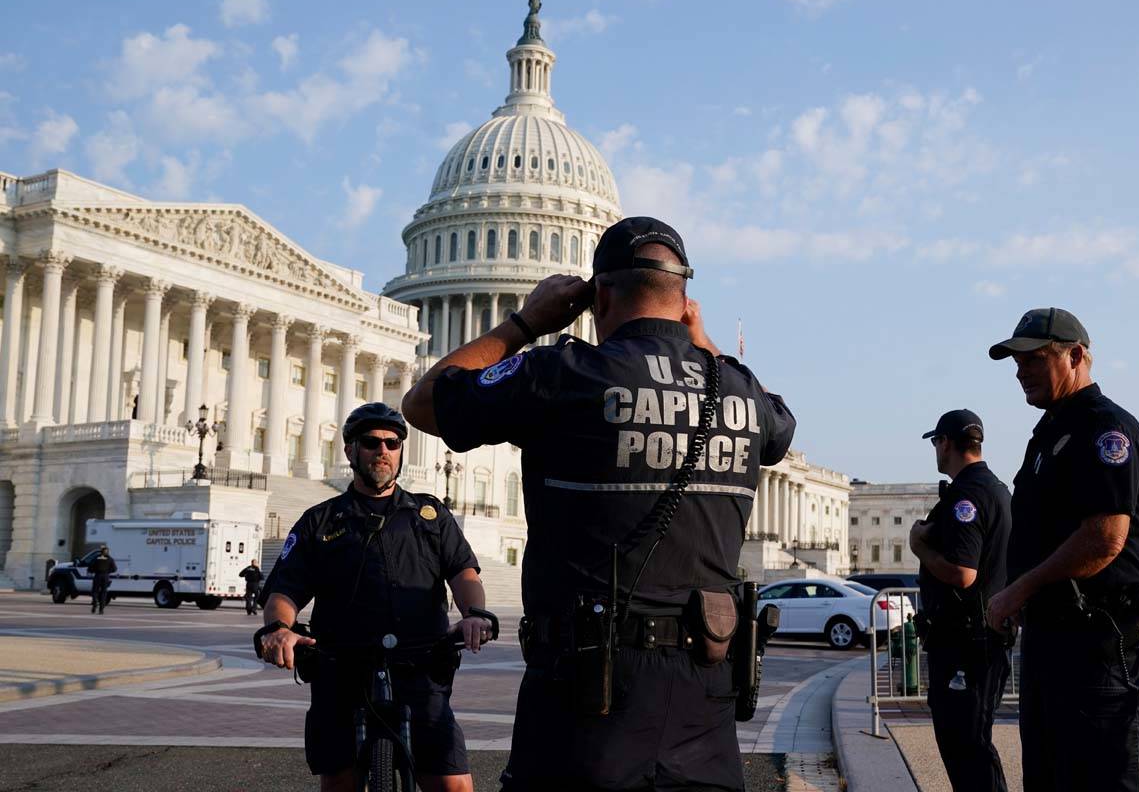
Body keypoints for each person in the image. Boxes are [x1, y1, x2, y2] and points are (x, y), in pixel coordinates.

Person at [403, 216, 796, 791]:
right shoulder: (737, 391)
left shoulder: (562, 373)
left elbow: (423, 403)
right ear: (685, 299)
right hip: (705, 695)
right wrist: (702, 341)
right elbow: (780, 431)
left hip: (585, 698)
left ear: (599, 295)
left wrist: (526, 321)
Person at [256, 402, 491, 792]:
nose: (383, 450)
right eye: (370, 442)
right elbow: (284, 590)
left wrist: (476, 613)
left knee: (454, 785)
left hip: (420, 662)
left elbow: (464, 573)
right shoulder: (321, 520)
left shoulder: (429, 515)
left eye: (392, 443)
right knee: (339, 780)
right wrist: (279, 628)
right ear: (350, 450)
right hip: (341, 663)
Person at [984, 308, 1139, 791]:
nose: (1021, 372)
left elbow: (1105, 537)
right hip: (1055, 639)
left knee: (1096, 779)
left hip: (1096, 643)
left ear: (1076, 355)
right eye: (1016, 363)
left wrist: (1019, 590)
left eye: (1033, 360)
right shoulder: (1051, 431)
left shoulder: (1104, 428)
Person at [908, 409, 1012, 792]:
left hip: (964, 643)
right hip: (981, 637)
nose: (936, 450)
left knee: (965, 746)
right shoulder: (997, 488)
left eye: (936, 443)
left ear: (945, 443)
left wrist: (920, 547)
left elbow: (962, 573)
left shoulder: (967, 496)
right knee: (972, 743)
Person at [89, 545, 116, 614]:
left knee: (95, 591)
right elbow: (114, 569)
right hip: (105, 576)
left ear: (101, 552)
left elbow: (90, 568)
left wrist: (94, 571)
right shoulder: (110, 559)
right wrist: (108, 571)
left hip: (97, 575)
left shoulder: (96, 558)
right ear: (107, 552)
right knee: (104, 593)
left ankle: (95, 602)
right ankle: (101, 609)